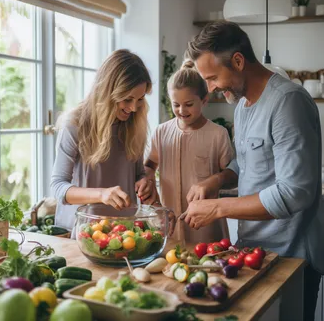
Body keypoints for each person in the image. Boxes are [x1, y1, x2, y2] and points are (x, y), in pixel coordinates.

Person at [181, 21, 323, 321]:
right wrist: (216, 180)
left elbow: (294, 192)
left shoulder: (288, 102)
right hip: (256, 251)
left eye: (213, 77)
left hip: (292, 257)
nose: (211, 88)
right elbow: (244, 164)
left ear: (238, 61)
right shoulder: (243, 105)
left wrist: (218, 207)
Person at [50, 49, 158, 234]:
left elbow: (138, 173)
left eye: (140, 99)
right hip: (81, 232)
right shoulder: (74, 125)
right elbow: (58, 187)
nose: (133, 108)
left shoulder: (134, 123)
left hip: (125, 230)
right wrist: (102, 194)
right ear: (107, 92)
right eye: (127, 99)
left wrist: (144, 182)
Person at [144, 60, 233, 243]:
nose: (181, 110)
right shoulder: (161, 132)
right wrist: (147, 180)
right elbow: (150, 165)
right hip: (170, 225)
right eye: (176, 104)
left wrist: (212, 181)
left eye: (189, 104)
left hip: (207, 229)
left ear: (204, 100)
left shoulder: (218, 134)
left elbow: (232, 175)